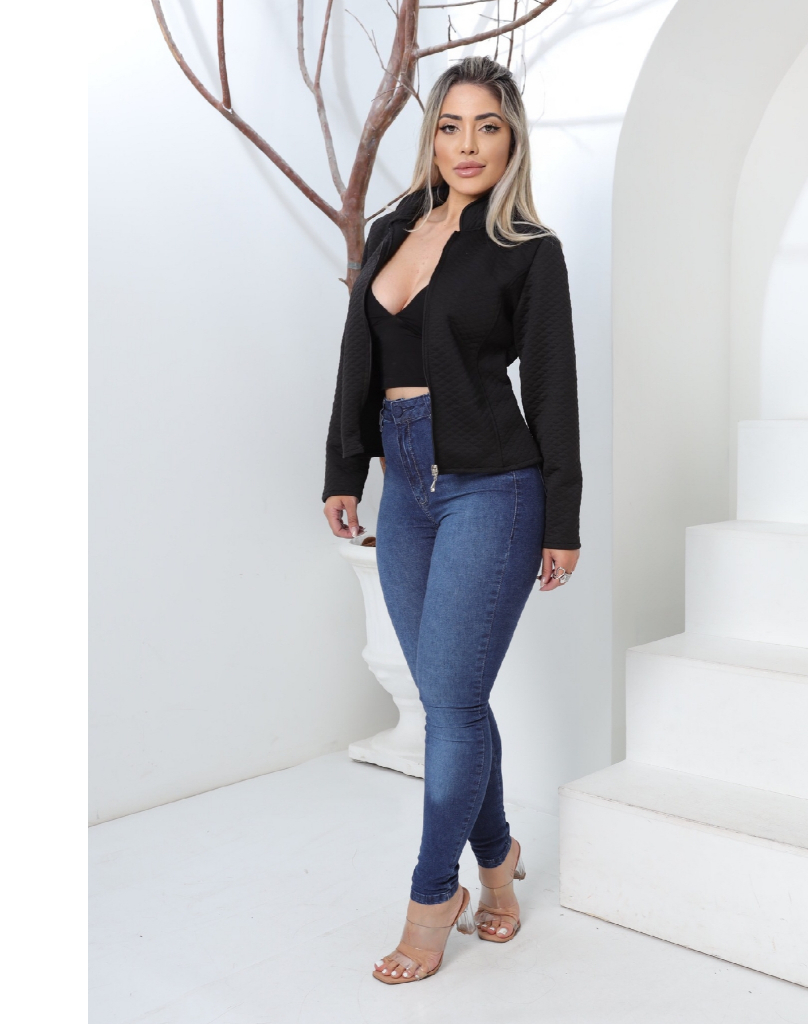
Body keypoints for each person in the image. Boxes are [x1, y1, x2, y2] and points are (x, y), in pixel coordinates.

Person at [322, 55, 582, 985]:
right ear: (431, 135)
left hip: (492, 487)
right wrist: (344, 468)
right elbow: (358, 353)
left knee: (454, 707)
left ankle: (435, 896)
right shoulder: (394, 225)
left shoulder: (528, 249)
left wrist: (562, 519)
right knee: (450, 699)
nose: (468, 145)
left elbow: (551, 388)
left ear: (512, 140)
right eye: (450, 125)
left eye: (488, 126)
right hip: (406, 490)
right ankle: (500, 859)